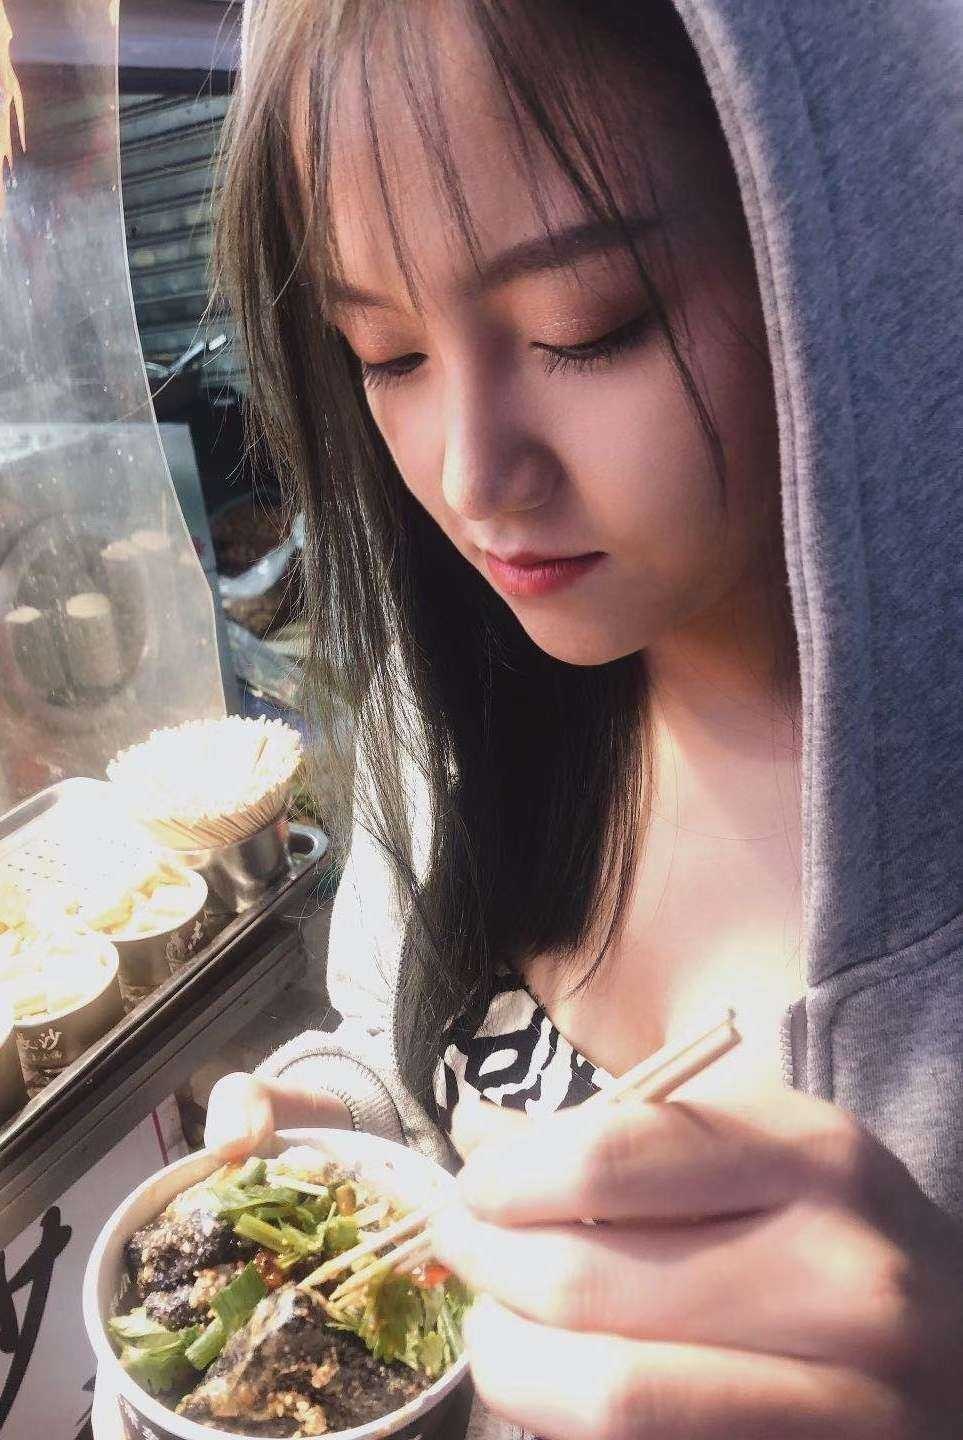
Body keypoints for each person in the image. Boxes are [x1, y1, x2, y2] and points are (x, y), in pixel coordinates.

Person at [206, 1, 963, 1435]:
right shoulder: (467, 690)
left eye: (585, 326)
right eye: (386, 353)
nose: (471, 478)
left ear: (851, 247)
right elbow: (405, 1053)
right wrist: (333, 1130)